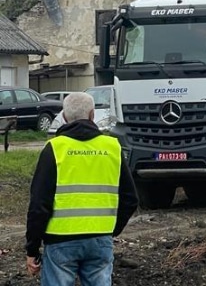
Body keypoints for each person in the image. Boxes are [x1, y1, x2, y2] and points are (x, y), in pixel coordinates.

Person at [26, 92, 138, 285]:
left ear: (65, 117)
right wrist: (111, 230)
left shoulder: (55, 148)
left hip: (60, 241)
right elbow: (130, 199)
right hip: (100, 239)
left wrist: (32, 249)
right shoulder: (112, 147)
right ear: (92, 115)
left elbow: (39, 204)